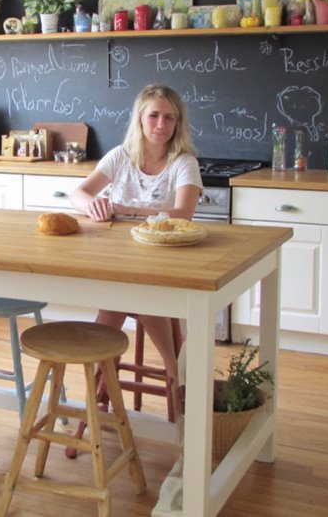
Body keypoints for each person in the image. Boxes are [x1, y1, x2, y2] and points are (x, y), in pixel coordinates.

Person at [70, 84, 202, 416]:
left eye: (170, 117)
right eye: (154, 115)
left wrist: (125, 210)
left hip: (164, 263)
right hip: (120, 260)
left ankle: (159, 374)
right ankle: (170, 373)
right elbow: (79, 193)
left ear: (178, 123)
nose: (161, 124)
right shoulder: (121, 156)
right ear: (140, 119)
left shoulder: (183, 162)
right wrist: (94, 205)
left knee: (134, 291)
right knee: (125, 289)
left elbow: (183, 214)